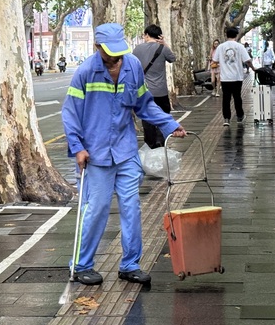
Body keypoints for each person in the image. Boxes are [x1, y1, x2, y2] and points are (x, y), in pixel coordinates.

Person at [62, 22, 186, 286]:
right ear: (97, 47)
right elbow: (70, 113)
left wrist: (169, 124)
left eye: (118, 52)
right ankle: (82, 265)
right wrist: (77, 147)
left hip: (126, 150)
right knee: (96, 209)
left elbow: (144, 104)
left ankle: (130, 264)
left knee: (131, 207)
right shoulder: (85, 72)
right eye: (109, 53)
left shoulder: (131, 67)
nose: (115, 58)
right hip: (95, 154)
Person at [132, 24, 176, 149]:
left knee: (147, 119)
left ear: (146, 35)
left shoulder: (137, 49)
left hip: (144, 91)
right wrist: (164, 43)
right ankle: (163, 143)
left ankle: (151, 145)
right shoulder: (163, 49)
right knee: (163, 117)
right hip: (161, 91)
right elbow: (173, 59)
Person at [212, 28, 255, 126]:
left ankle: (226, 119)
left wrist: (222, 63)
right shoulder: (240, 47)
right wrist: (253, 68)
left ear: (226, 35)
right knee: (237, 97)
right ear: (236, 35)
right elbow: (247, 60)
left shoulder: (221, 47)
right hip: (237, 77)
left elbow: (215, 60)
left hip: (225, 78)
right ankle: (240, 116)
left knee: (226, 98)